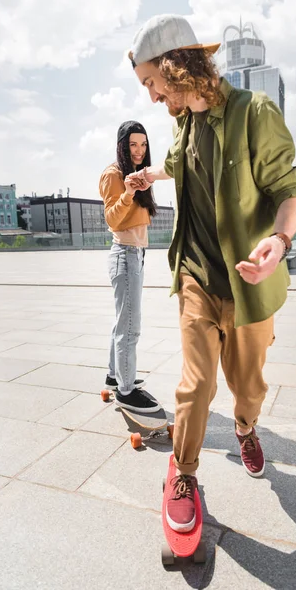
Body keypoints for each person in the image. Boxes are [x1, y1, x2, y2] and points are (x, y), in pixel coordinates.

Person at [127, 14, 296, 532]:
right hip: (196, 276)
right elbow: (177, 162)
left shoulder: (256, 112)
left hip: (249, 284)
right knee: (197, 383)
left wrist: (279, 240)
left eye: (151, 83)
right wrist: (150, 173)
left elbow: (290, 191)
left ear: (174, 66)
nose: (152, 96)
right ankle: (183, 472)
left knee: (247, 386)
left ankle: (246, 426)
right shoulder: (182, 123)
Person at [99, 120, 160, 413]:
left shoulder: (137, 174)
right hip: (125, 253)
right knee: (130, 327)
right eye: (133, 144)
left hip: (134, 253)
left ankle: (115, 376)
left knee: (122, 321)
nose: (139, 150)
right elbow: (112, 218)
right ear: (123, 145)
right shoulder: (114, 174)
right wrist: (128, 193)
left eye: (143, 144)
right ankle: (125, 392)